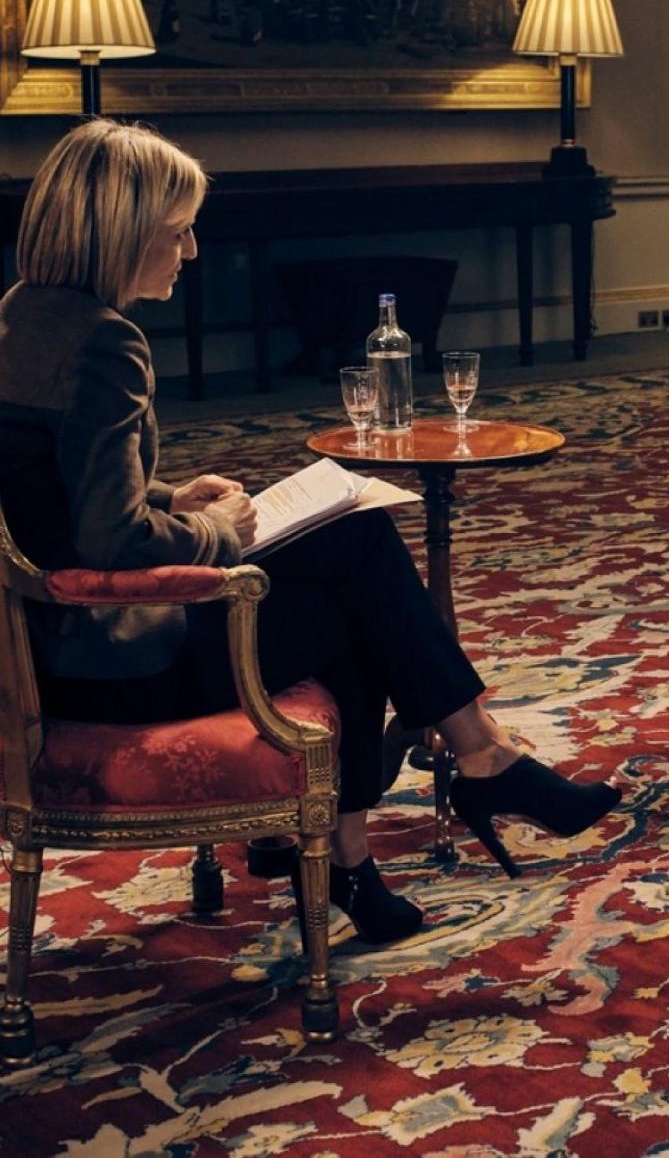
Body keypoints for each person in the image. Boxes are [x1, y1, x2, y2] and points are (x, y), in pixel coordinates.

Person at [0, 118, 619, 943]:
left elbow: (51, 491)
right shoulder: (107, 344)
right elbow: (113, 544)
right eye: (178, 232)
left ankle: (395, 825)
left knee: (351, 560)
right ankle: (469, 768)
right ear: (121, 233)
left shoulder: (22, 315)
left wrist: (171, 495)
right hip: (110, 661)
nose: (192, 251)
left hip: (38, 652)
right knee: (353, 594)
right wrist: (214, 529)